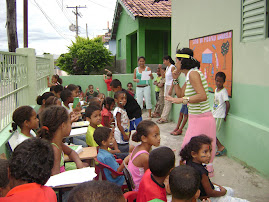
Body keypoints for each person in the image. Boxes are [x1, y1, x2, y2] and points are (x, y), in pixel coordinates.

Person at [166, 48, 216, 176]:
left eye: (176, 61)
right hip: (196, 119)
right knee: (190, 153)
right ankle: (192, 180)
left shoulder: (193, 74)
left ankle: (190, 181)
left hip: (202, 119)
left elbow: (202, 96)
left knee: (188, 152)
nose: (175, 64)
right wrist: (176, 79)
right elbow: (180, 93)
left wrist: (181, 100)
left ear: (182, 61)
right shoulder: (189, 76)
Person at [180, 135, 249, 202]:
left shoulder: (188, 162)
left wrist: (218, 186)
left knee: (230, 191)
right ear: (194, 154)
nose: (209, 155)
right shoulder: (202, 171)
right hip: (207, 198)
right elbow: (210, 192)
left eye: (210, 151)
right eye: (205, 152)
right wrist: (223, 192)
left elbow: (203, 183)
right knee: (231, 193)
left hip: (198, 196)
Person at [38, 106, 86, 175]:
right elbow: (56, 178)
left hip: (62, 173)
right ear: (63, 125)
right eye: (69, 122)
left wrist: (79, 163)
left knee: (85, 165)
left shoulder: (57, 143)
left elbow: (71, 152)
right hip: (59, 181)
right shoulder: (54, 149)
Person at [128, 120, 161, 191]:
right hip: (139, 189)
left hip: (134, 184)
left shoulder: (138, 147)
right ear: (144, 138)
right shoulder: (145, 157)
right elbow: (149, 178)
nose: (159, 138)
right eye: (155, 136)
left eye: (159, 134)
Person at [213, 72, 230, 156]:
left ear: (224, 82)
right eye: (217, 81)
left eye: (220, 81)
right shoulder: (216, 90)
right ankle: (217, 146)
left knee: (212, 133)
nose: (218, 83)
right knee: (210, 132)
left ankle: (220, 147)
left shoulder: (224, 92)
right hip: (214, 114)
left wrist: (225, 115)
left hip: (219, 116)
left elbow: (227, 104)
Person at [157, 56, 176, 124]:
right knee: (166, 102)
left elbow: (174, 79)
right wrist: (160, 68)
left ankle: (165, 118)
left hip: (170, 86)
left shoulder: (172, 67)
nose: (163, 62)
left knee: (168, 102)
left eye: (164, 61)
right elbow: (163, 76)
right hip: (166, 85)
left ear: (168, 60)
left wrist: (171, 88)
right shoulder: (167, 68)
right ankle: (163, 116)